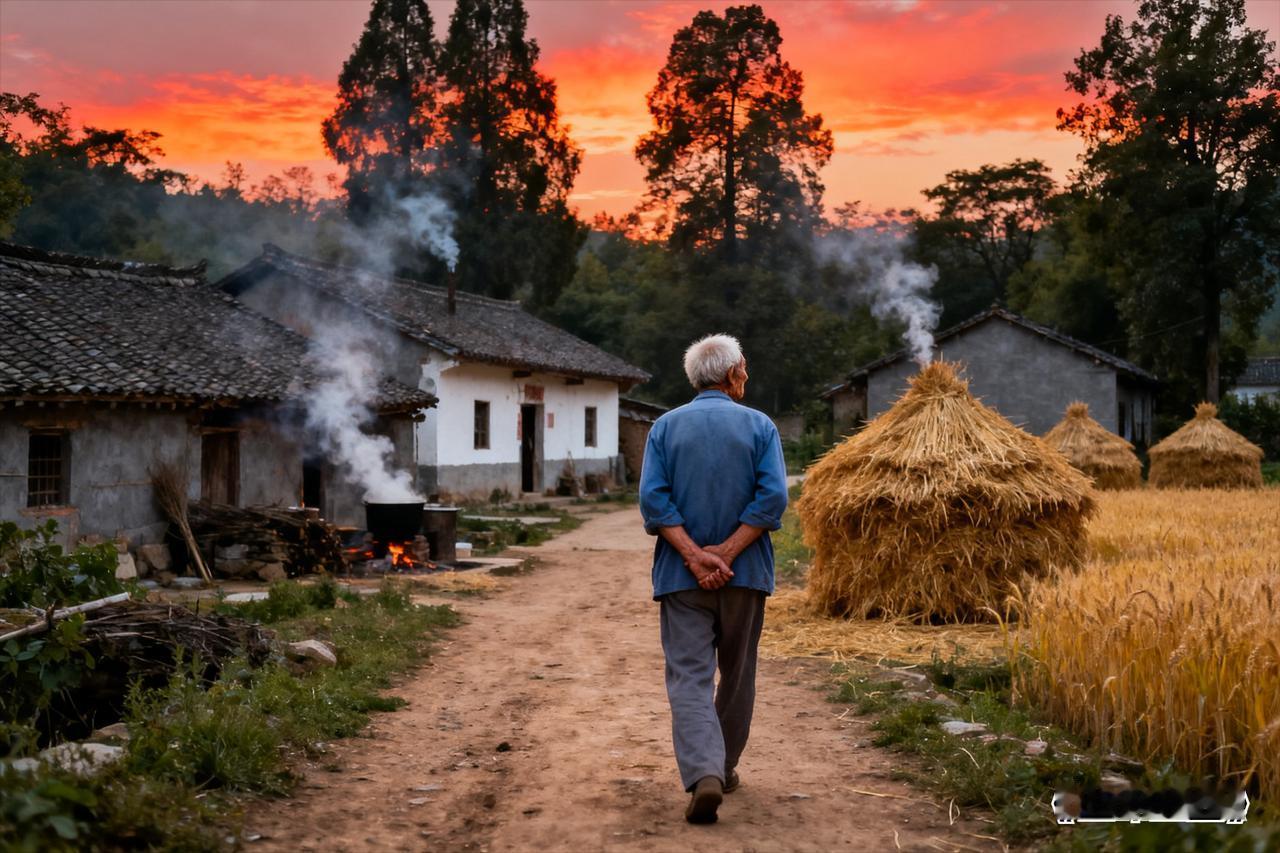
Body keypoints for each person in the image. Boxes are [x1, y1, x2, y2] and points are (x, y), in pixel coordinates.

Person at [638, 333, 789, 824]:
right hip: (745, 575)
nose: (746, 374)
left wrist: (694, 556)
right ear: (731, 375)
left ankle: (704, 772)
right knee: (738, 673)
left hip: (680, 579)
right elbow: (771, 501)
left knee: (689, 677)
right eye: (743, 367)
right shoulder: (760, 426)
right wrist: (724, 554)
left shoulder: (664, 427)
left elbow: (655, 502)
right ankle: (722, 767)